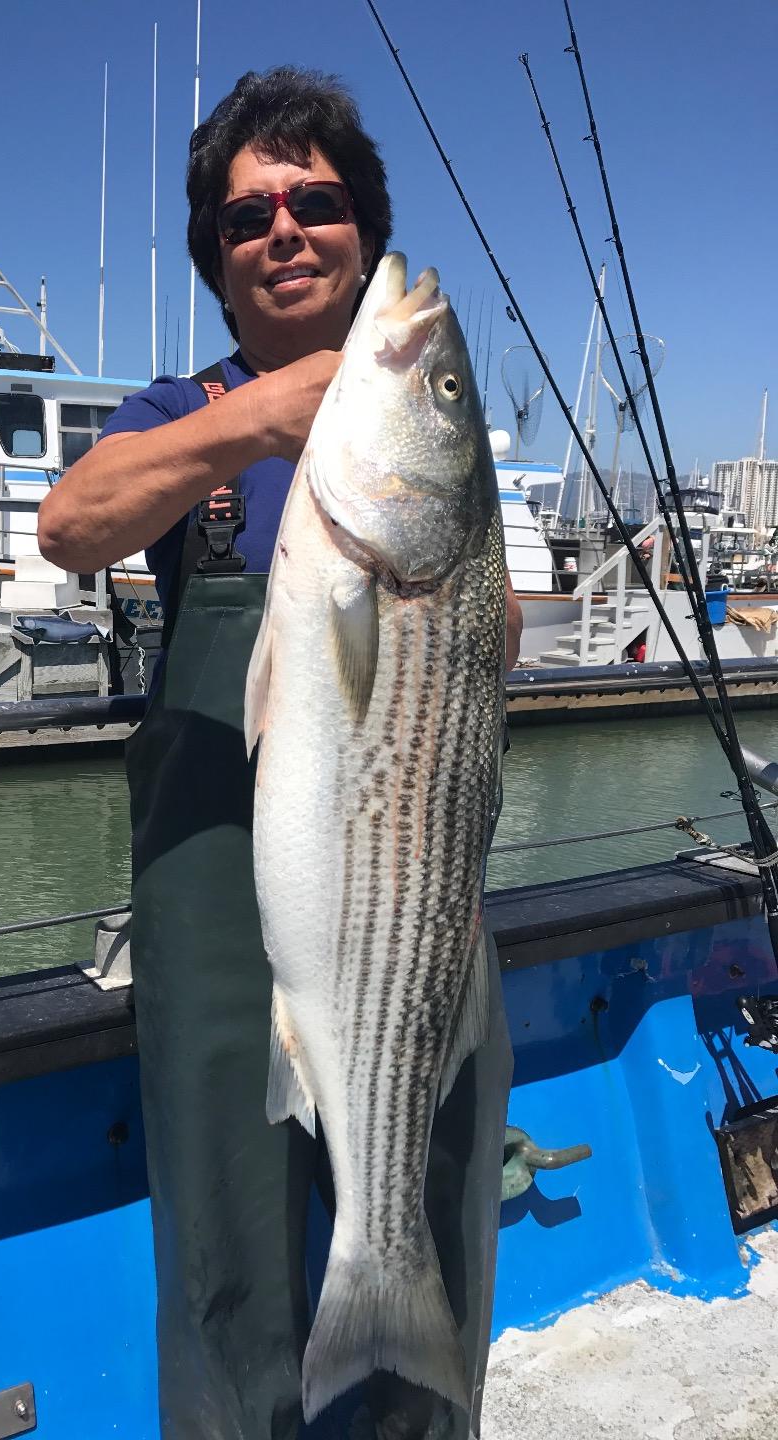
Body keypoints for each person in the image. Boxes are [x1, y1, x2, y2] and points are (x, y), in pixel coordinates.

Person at [39, 66, 522, 1440]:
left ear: (361, 227)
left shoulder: (440, 468)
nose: (287, 229)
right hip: (218, 923)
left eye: (317, 201)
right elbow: (71, 527)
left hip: (409, 910)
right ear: (219, 255)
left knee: (431, 1224)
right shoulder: (176, 417)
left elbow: (487, 663)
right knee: (230, 1273)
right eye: (251, 216)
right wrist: (264, 416)